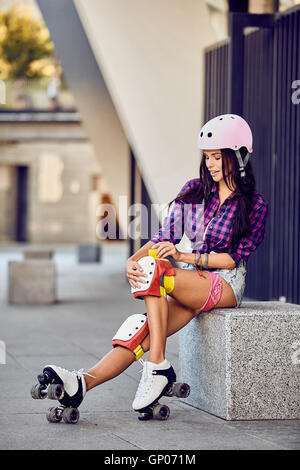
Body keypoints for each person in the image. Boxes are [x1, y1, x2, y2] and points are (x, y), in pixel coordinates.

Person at [40, 114, 269, 417]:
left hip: (226, 283)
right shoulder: (195, 191)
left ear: (238, 157)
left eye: (218, 156)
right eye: (207, 157)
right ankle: (82, 383)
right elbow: (164, 237)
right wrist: (133, 260)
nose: (211, 164)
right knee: (140, 331)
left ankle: (157, 364)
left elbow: (232, 259)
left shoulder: (255, 204)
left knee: (157, 271)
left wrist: (183, 257)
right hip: (193, 282)